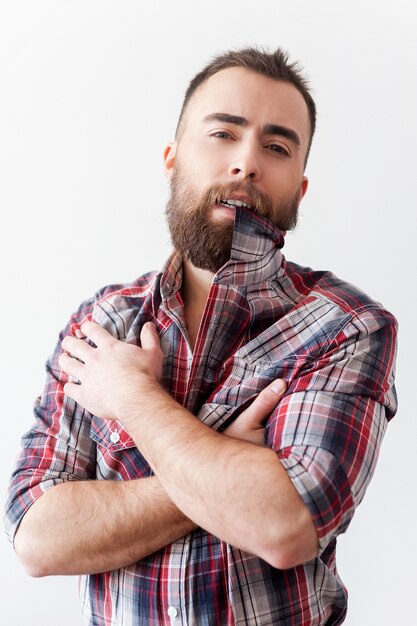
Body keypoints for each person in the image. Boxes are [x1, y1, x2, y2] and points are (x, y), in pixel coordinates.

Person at [5, 47, 397, 626]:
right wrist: (227, 463)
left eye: (277, 146)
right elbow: (37, 538)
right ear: (172, 157)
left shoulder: (348, 325)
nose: (246, 163)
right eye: (223, 134)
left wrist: (135, 400)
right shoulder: (104, 322)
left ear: (301, 188)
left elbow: (286, 527)